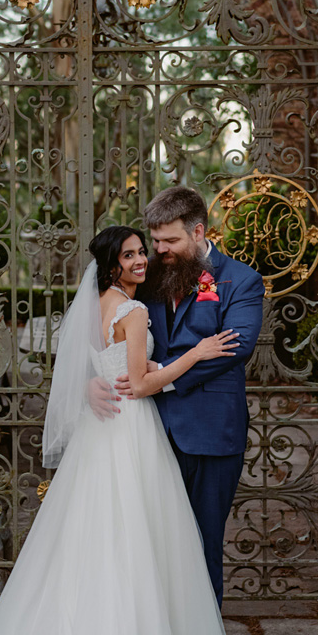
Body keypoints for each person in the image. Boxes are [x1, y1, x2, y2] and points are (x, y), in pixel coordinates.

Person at [0, 225, 239, 635]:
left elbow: (92, 367)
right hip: (128, 431)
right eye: (129, 256)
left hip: (97, 437)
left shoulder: (94, 308)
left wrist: (112, 378)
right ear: (111, 266)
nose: (139, 261)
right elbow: (141, 384)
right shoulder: (134, 313)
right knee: (133, 543)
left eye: (141, 253)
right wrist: (195, 354)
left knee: (86, 542)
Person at [104, 187, 265, 607]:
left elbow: (237, 345)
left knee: (201, 541)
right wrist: (93, 377)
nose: (159, 251)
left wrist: (166, 375)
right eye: (155, 241)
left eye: (170, 241)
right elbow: (107, 328)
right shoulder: (147, 274)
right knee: (151, 542)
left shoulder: (241, 279)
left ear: (197, 232)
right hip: (148, 429)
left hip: (212, 432)